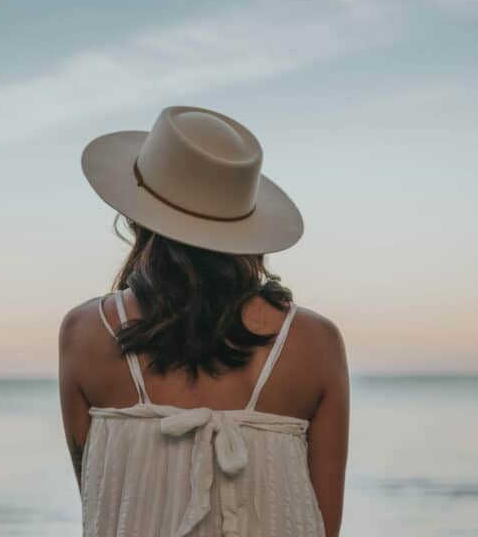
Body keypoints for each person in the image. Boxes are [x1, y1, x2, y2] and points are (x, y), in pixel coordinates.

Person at [59, 105, 350, 536]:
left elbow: (100, 498)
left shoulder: (86, 332)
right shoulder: (314, 343)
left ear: (138, 217)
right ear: (246, 227)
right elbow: (325, 528)